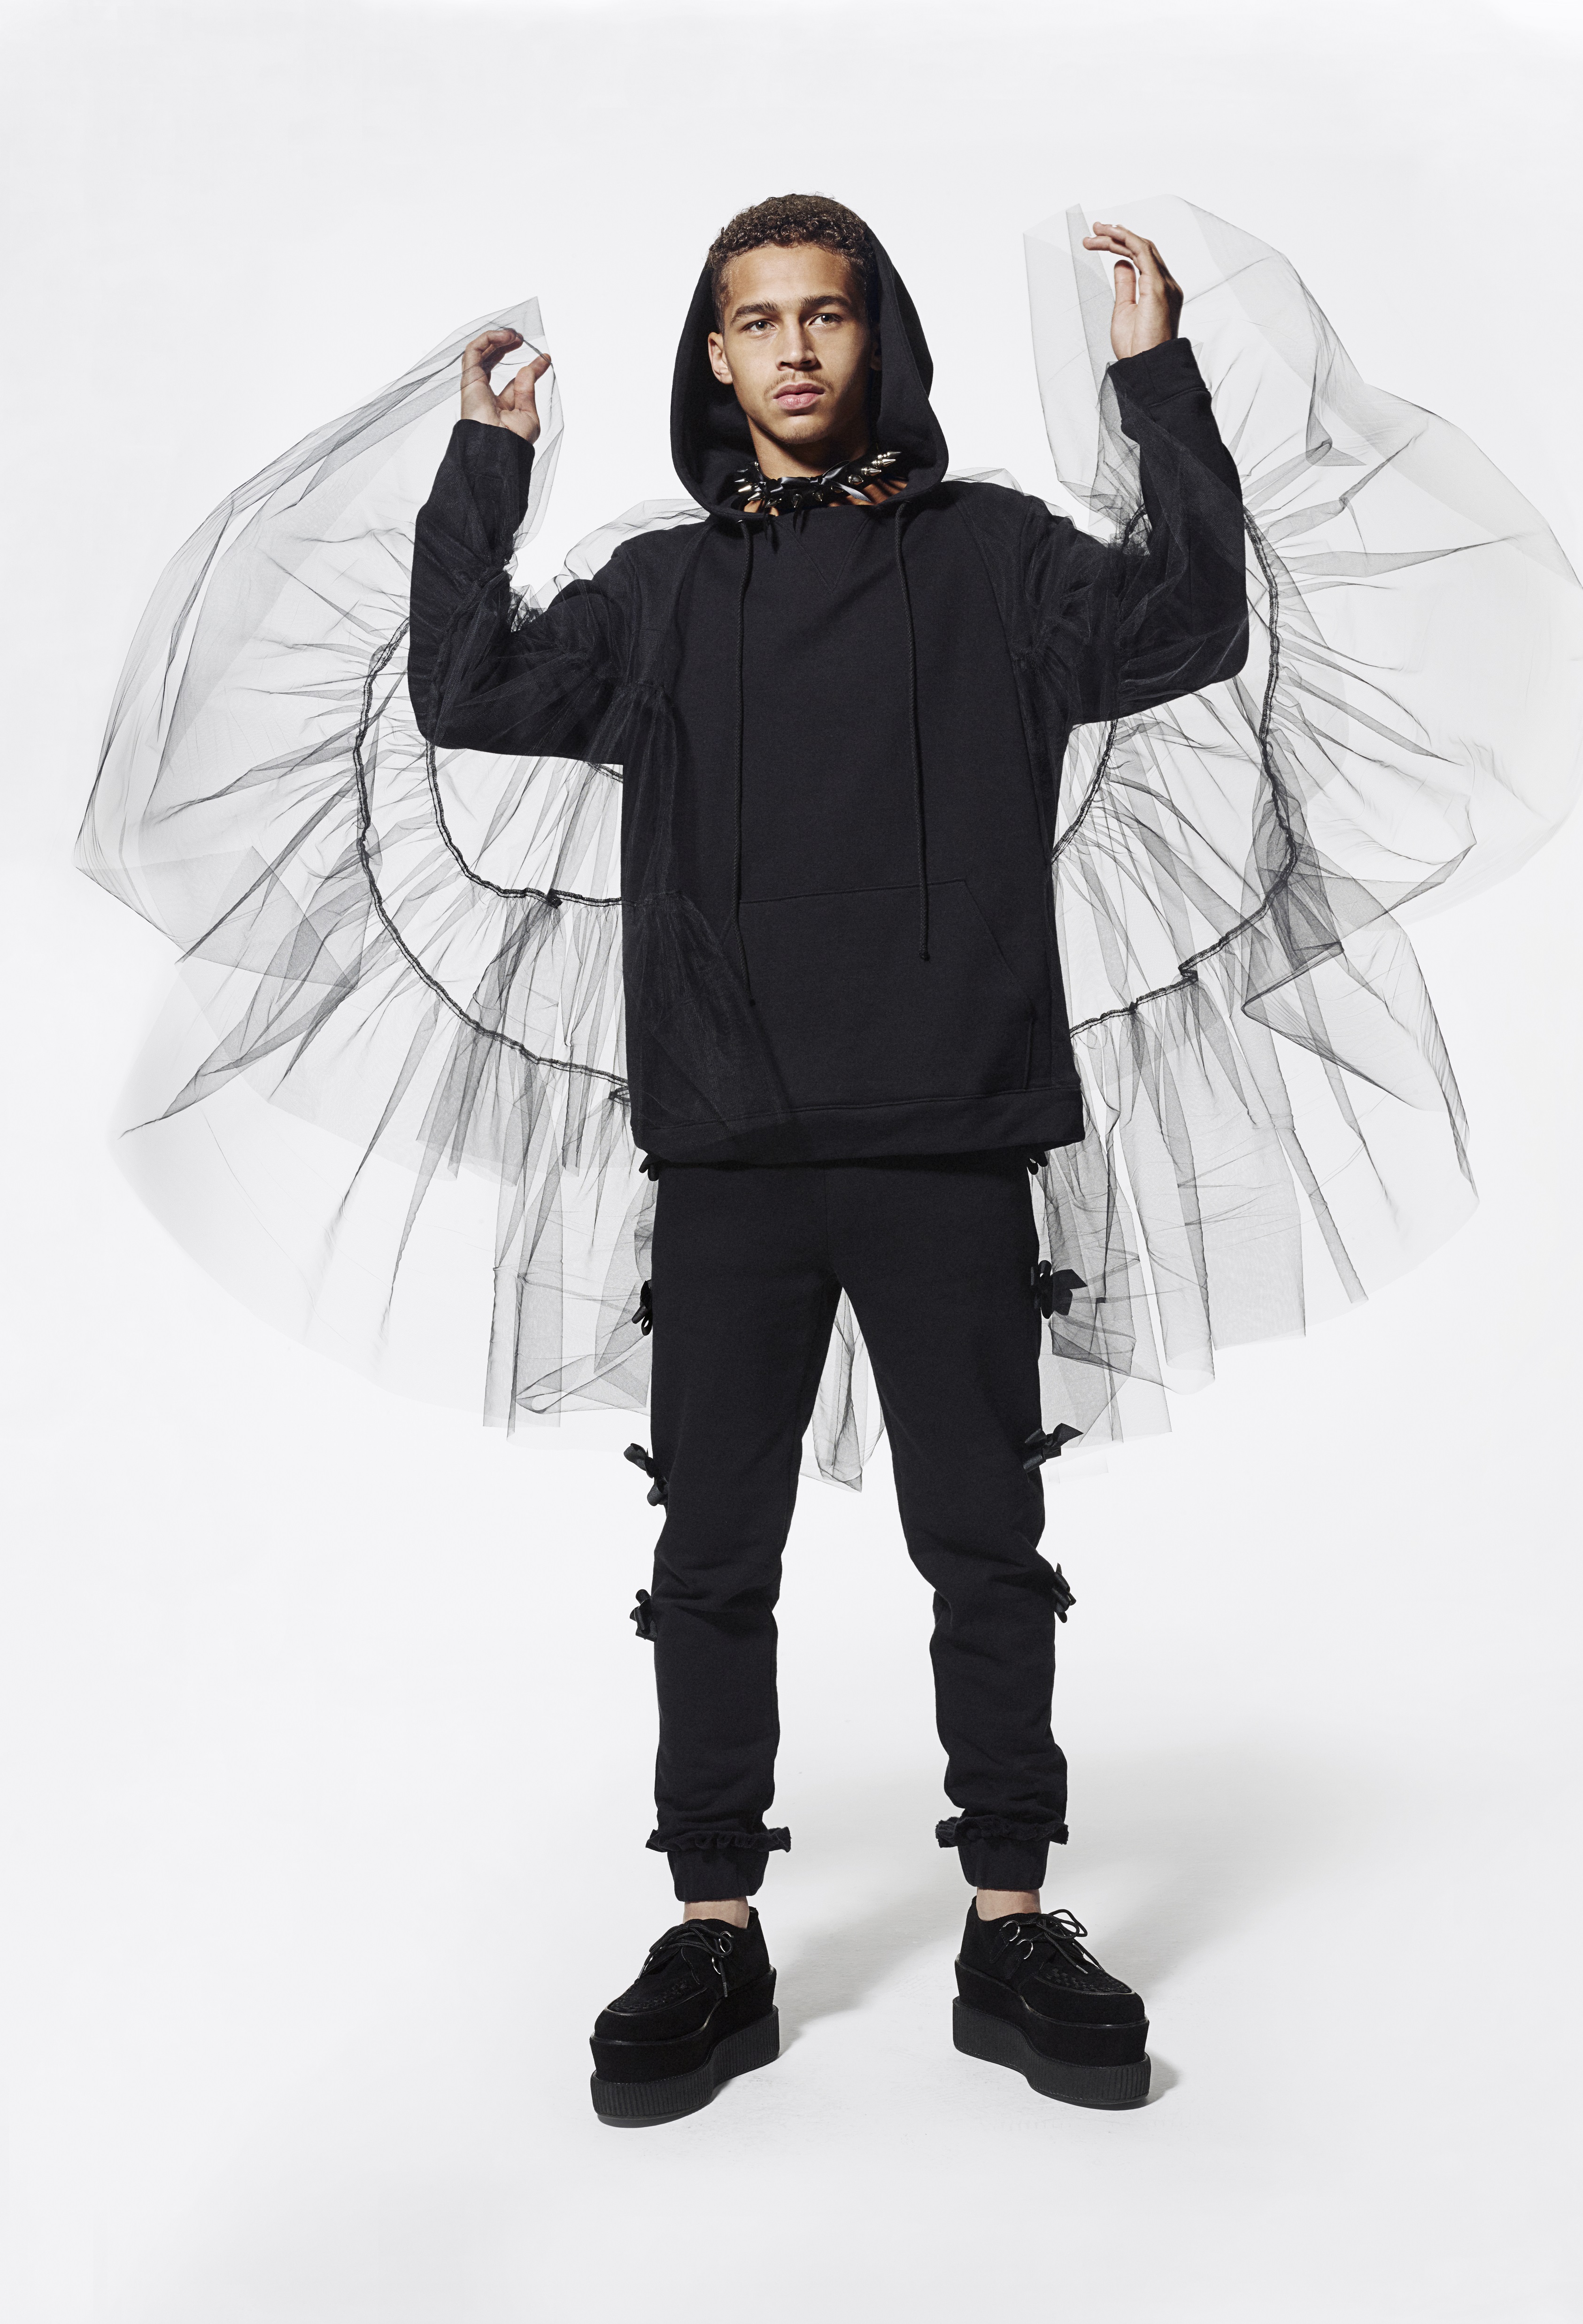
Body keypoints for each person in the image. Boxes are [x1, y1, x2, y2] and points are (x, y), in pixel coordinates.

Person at [408, 192, 1249, 2121]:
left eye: (825, 313)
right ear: (713, 359)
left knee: (986, 1551)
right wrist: (487, 467)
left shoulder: (1002, 564)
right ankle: (713, 1931)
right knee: (709, 1558)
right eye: (756, 319)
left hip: (949, 1137)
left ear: (878, 338)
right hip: (731, 1152)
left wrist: (1152, 380)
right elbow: (465, 687)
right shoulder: (655, 598)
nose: (792, 347)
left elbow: (1193, 621)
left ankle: (1008, 1922)